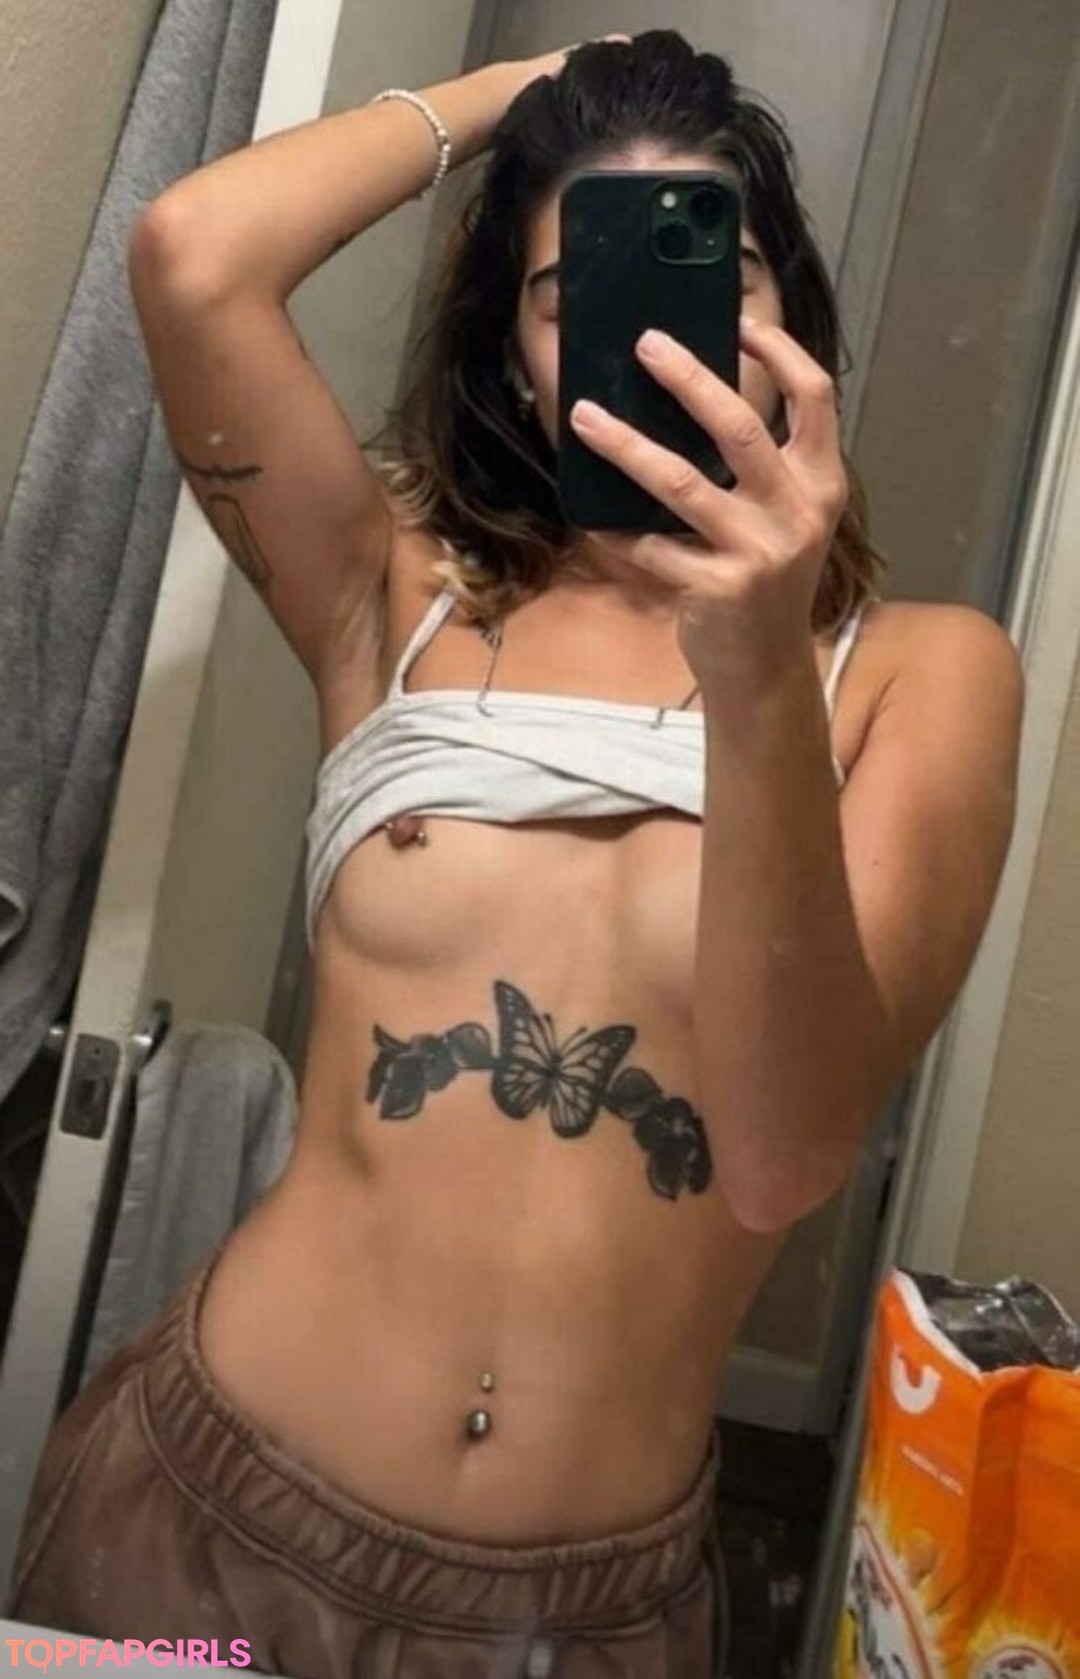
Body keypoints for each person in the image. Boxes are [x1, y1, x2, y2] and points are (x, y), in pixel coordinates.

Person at [8, 30, 1023, 1679]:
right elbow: (192, 255)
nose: (653, 329)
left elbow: (780, 1156)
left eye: (718, 279)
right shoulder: (396, 595)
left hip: (585, 1619)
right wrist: (544, 86)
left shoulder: (917, 675)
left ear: (795, 328)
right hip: (197, 1519)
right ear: (519, 354)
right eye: (576, 293)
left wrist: (759, 671)